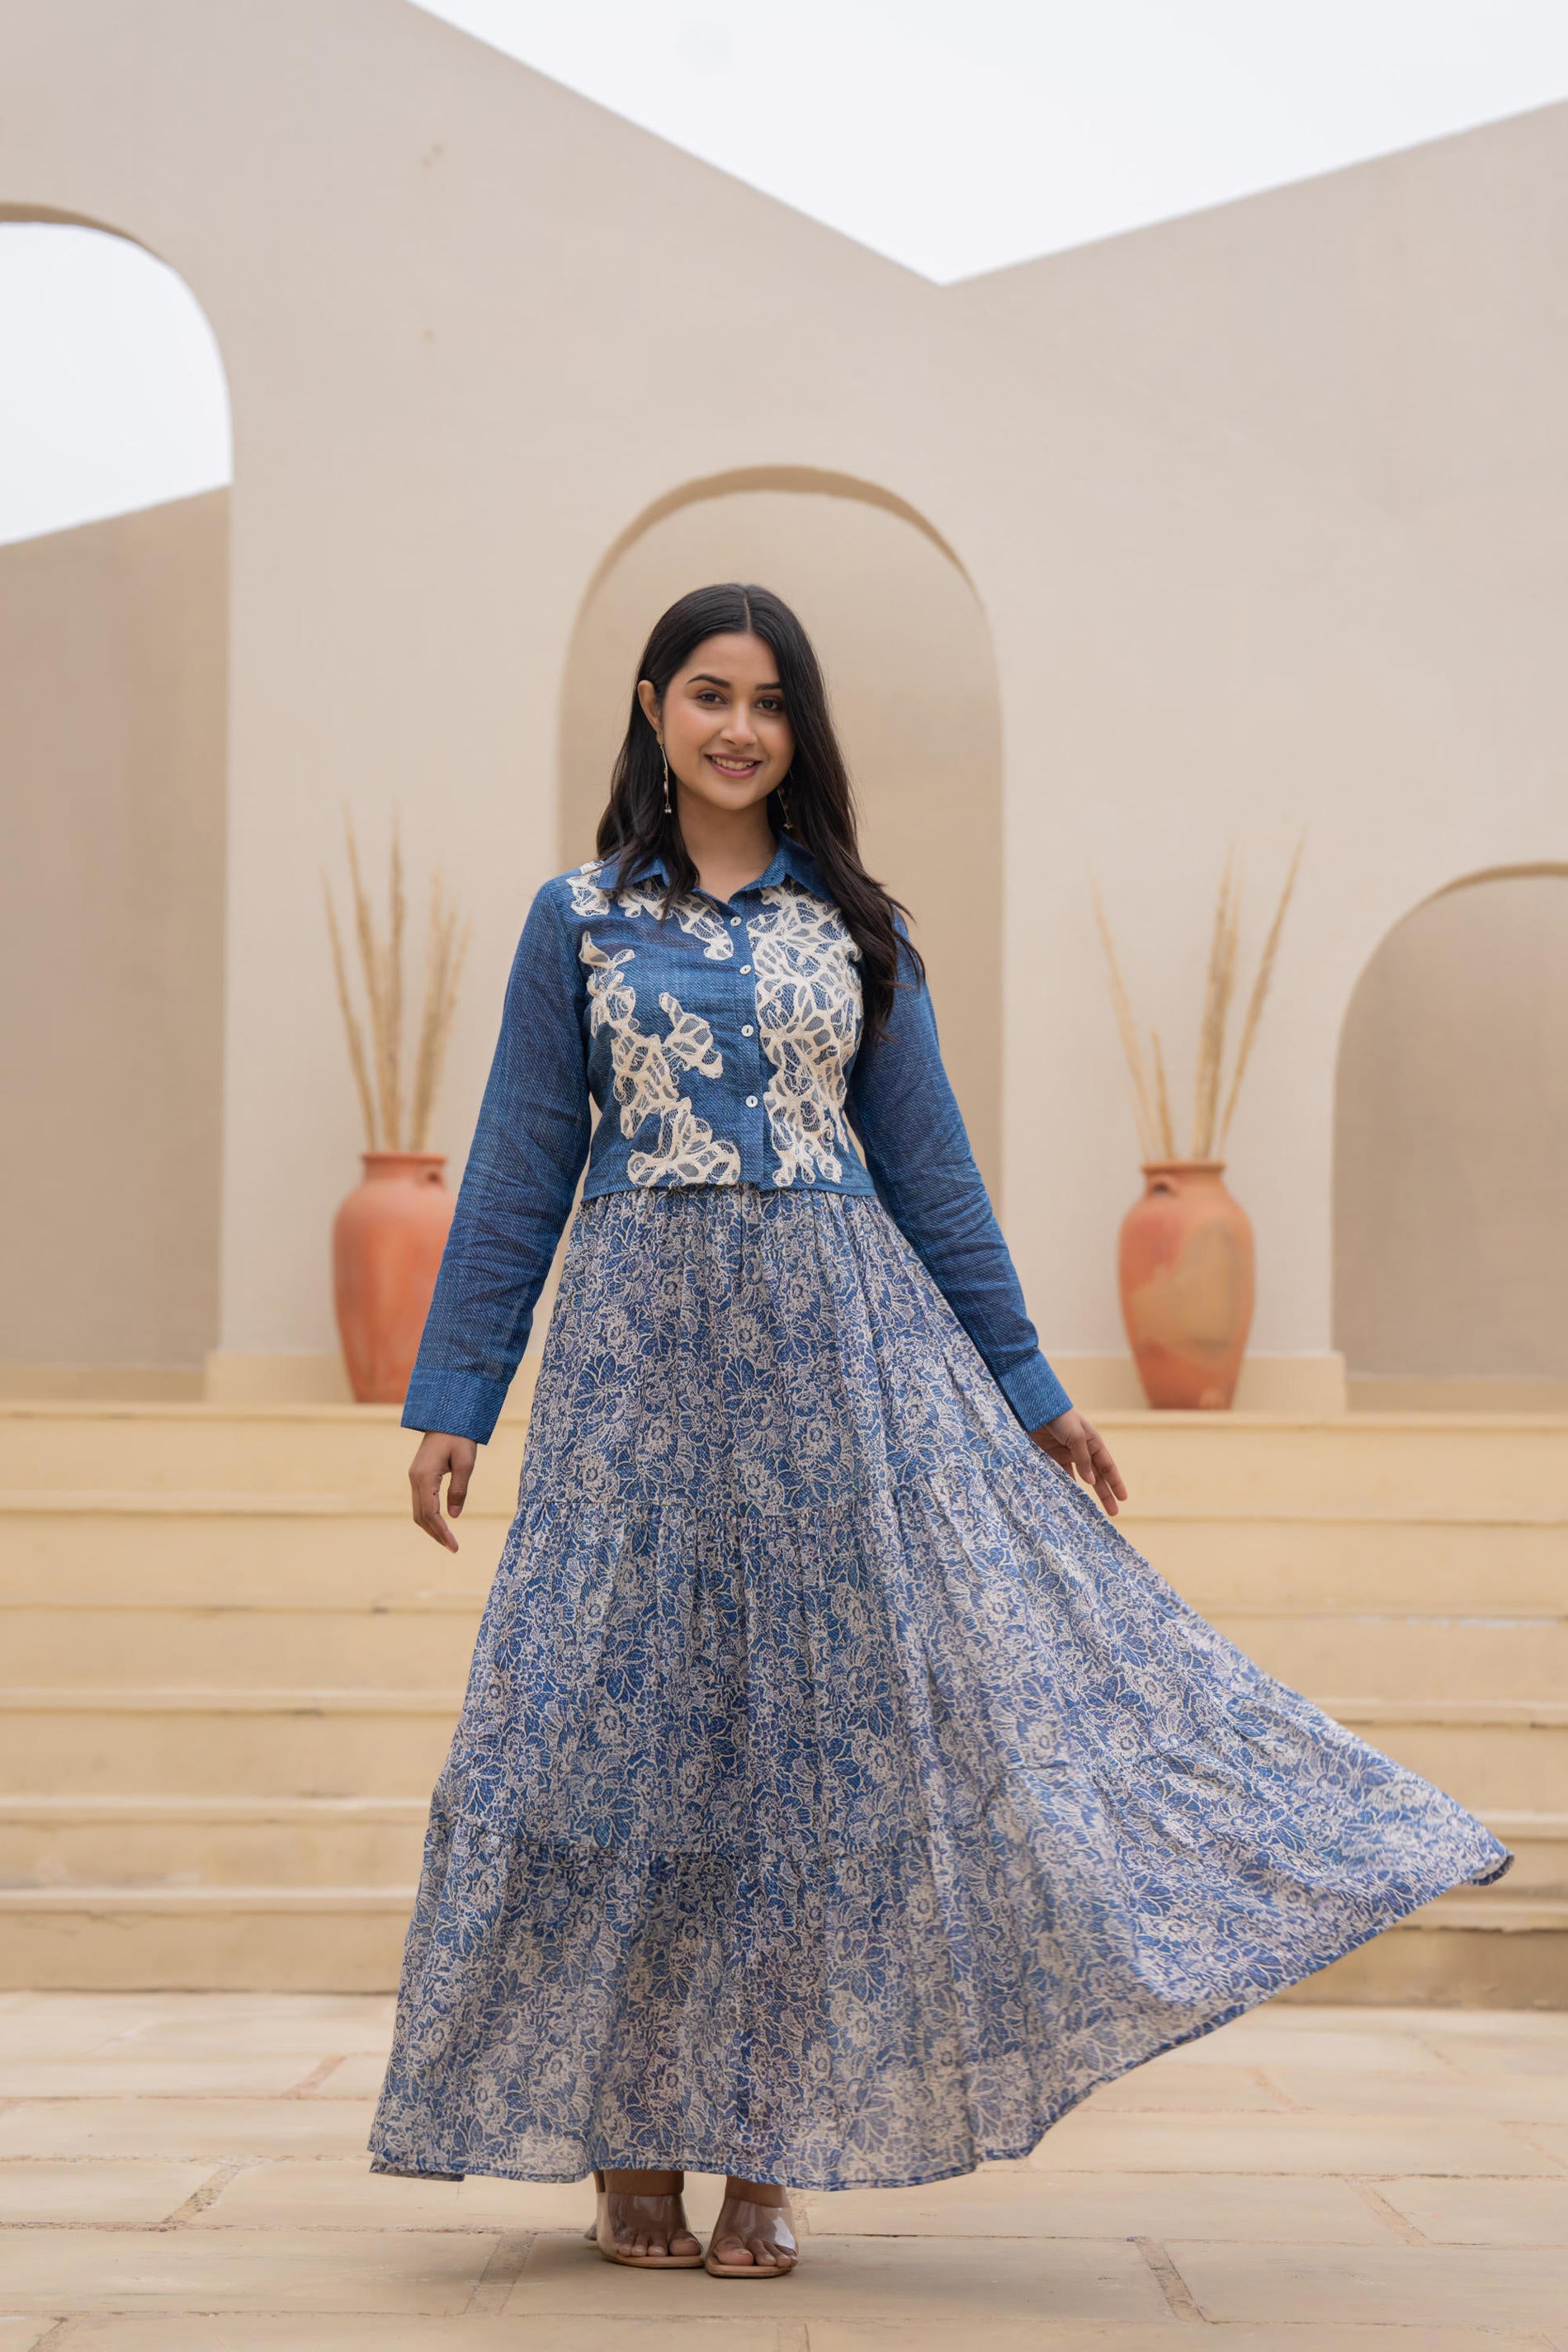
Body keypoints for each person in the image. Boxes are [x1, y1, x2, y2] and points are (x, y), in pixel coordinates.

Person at [367, 582, 1510, 2280]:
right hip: (634, 1386)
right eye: (706, 693)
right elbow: (525, 1157)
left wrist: (1035, 1393)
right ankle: (629, 2142)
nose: (737, 726)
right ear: (649, 707)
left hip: (835, 1370)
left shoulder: (851, 927)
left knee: (802, 1765)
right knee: (621, 1744)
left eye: (767, 700)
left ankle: (764, 2146)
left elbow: (935, 1181)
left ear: (797, 728)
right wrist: (457, 1400)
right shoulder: (580, 918)